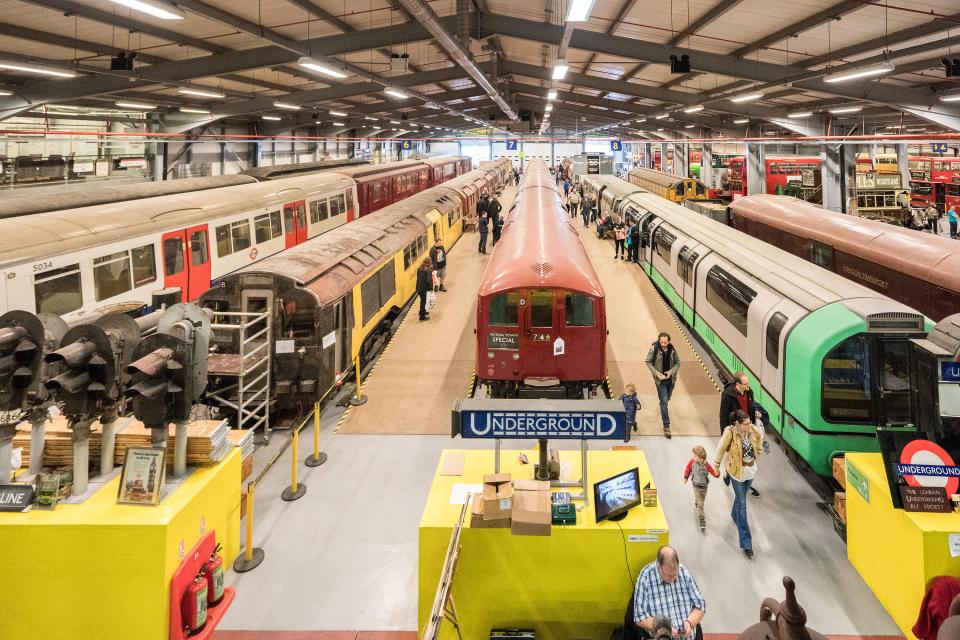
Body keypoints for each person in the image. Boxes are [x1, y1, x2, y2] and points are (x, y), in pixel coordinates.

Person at [714, 409, 764, 558]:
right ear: (737, 423)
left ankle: (734, 515)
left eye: (749, 423)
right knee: (742, 504)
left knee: (739, 500)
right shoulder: (730, 432)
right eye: (746, 424)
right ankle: (747, 543)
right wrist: (716, 465)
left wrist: (759, 450)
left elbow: (760, 437)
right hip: (736, 472)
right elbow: (721, 448)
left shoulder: (753, 430)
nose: (749, 426)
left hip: (750, 471)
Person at [631, 546, 705, 640]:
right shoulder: (645, 578)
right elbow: (639, 618)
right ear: (659, 566)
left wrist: (690, 622)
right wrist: (664, 630)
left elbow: (700, 605)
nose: (674, 578)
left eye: (675, 574)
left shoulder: (684, 573)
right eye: (669, 575)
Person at [718, 372, 760, 497]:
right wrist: (725, 434)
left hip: (748, 429)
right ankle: (744, 485)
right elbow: (723, 415)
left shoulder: (749, 392)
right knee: (739, 457)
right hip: (735, 432)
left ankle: (729, 473)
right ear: (737, 385)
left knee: (746, 457)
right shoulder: (727, 395)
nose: (748, 386)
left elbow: (750, 409)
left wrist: (755, 415)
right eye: (746, 384)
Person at [645, 332, 680, 438]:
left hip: (671, 379)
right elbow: (648, 362)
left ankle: (663, 403)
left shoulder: (672, 350)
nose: (663, 344)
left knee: (667, 398)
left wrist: (670, 372)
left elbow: (678, 363)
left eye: (665, 342)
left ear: (668, 341)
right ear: (659, 340)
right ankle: (666, 426)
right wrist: (657, 373)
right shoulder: (653, 349)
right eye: (661, 342)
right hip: (660, 381)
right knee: (664, 402)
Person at [683, 445, 719, 531]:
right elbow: (688, 469)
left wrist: (717, 473)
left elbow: (714, 473)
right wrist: (685, 477)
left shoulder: (707, 465)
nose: (693, 457)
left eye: (695, 456)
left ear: (701, 458)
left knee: (701, 500)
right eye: (694, 455)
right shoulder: (692, 462)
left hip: (704, 486)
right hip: (695, 485)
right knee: (701, 504)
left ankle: (697, 502)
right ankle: (702, 519)